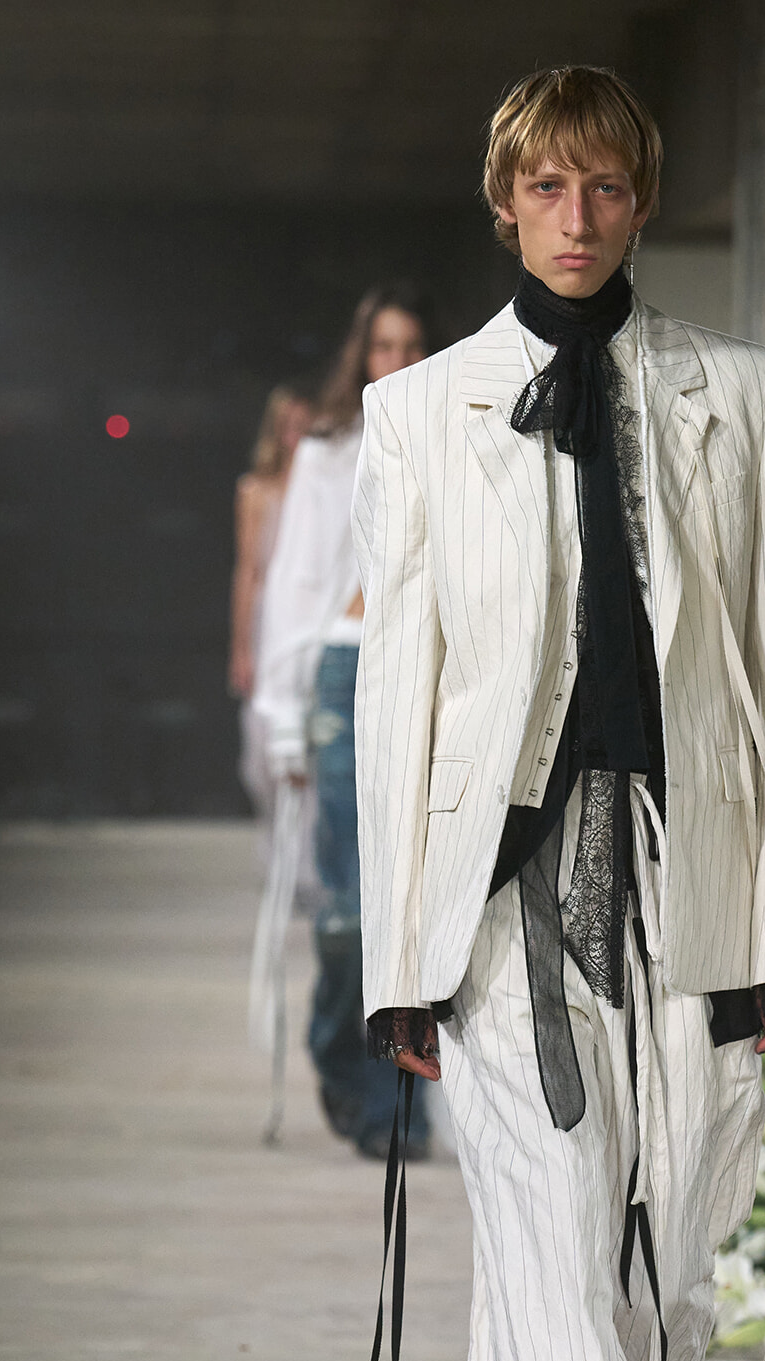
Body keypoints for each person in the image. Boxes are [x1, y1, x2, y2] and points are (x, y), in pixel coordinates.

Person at [351, 66, 765, 1361]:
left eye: (607, 190)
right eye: (547, 189)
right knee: (551, 1248)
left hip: (685, 884)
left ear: (641, 200)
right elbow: (400, 704)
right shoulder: (422, 414)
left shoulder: (738, 396)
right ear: (505, 199)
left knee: (674, 1270)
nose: (576, 219)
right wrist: (400, 958)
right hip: (501, 915)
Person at [253, 290, 434, 1160]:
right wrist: (280, 716)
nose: (394, 363)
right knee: (349, 907)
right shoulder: (329, 451)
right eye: (381, 347)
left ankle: (399, 1105)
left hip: (424, 677)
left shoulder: (457, 436)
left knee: (411, 900)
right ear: (361, 356)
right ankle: (339, 1045)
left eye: (411, 346)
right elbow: (293, 580)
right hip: (341, 668)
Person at [227, 385, 312, 814]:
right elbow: (248, 571)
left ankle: (312, 871)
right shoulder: (256, 490)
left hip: (313, 618)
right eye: (287, 426)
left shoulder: (329, 488)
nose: (295, 435)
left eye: (304, 424)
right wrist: (241, 648)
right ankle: (279, 853)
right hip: (269, 622)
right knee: (262, 745)